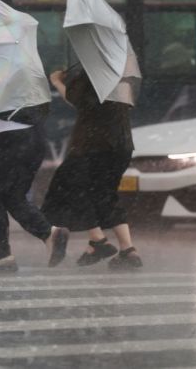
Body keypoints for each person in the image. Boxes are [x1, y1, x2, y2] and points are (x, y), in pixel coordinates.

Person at [42, 63, 142, 270]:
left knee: (70, 187)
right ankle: (127, 249)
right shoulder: (122, 69)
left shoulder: (93, 70)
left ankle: (98, 240)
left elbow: (76, 100)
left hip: (93, 144)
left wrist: (56, 81)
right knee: (105, 193)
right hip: (121, 144)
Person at [0, 105, 70, 272]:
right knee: (13, 196)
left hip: (9, 136)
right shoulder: (31, 79)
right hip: (35, 137)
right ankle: (49, 233)